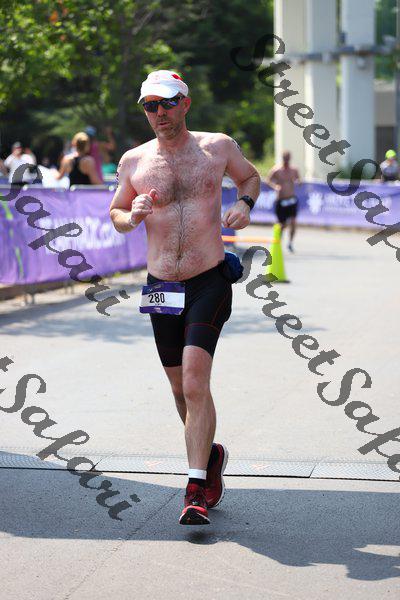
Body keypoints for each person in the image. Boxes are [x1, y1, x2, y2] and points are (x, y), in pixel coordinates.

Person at [109, 70, 260, 525]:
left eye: (167, 103)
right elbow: (116, 213)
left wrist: (244, 205)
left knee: (194, 382)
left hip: (208, 279)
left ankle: (194, 490)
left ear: (186, 104)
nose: (159, 113)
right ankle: (209, 457)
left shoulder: (218, 148)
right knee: (180, 390)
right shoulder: (134, 161)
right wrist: (132, 215)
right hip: (161, 286)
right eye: (150, 106)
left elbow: (250, 178)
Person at [266, 151, 301, 252]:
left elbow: (299, 180)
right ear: (282, 158)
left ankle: (290, 243)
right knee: (282, 224)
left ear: (290, 158)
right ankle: (278, 242)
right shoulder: (276, 170)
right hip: (281, 200)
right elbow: (268, 180)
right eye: (285, 158)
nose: (286, 160)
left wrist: (298, 182)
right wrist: (275, 186)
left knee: (293, 222)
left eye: (288, 158)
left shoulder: (294, 170)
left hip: (291, 200)